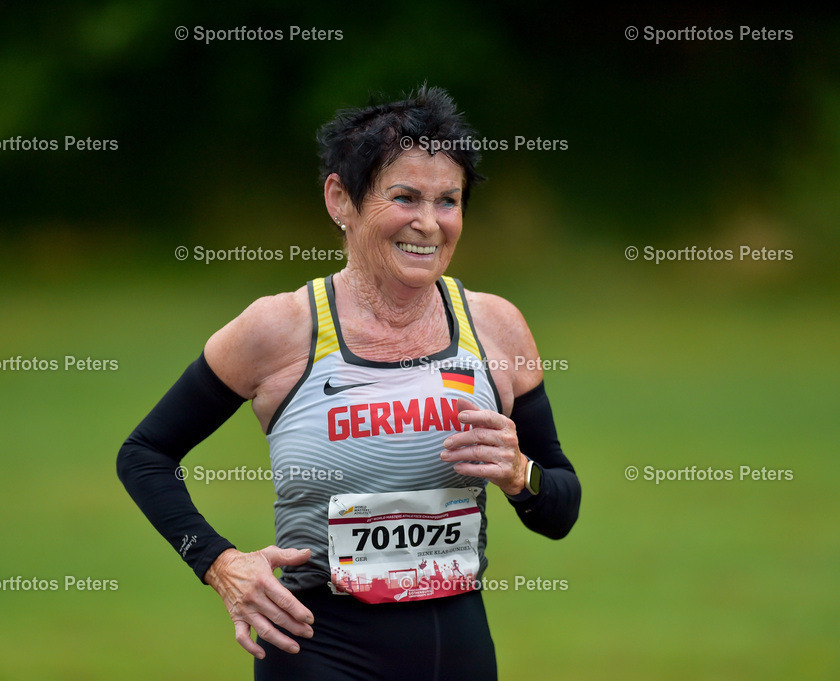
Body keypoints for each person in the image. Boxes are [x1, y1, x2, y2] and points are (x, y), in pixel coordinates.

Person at [117, 85, 581, 680]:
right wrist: (218, 562)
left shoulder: (496, 327)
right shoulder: (278, 329)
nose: (428, 224)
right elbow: (145, 453)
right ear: (341, 199)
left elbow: (559, 509)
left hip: (458, 652)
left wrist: (520, 475)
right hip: (319, 650)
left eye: (447, 201)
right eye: (404, 197)